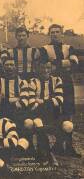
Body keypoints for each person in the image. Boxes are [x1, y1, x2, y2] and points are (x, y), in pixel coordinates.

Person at [40, 24, 81, 158]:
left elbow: (75, 62)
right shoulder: (45, 49)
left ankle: (69, 147)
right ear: (49, 34)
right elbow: (46, 64)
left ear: (62, 34)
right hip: (53, 83)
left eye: (57, 32)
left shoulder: (69, 47)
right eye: (52, 32)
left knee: (68, 113)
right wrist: (65, 62)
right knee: (56, 113)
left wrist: (57, 62)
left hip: (67, 83)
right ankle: (58, 145)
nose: (55, 34)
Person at [28, 62, 63, 164]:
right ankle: (49, 154)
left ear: (52, 68)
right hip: (38, 113)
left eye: (48, 67)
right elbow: (31, 102)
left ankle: (44, 153)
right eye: (42, 67)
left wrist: (41, 101)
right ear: (37, 68)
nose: (45, 70)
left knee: (66, 126)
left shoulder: (57, 80)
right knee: (38, 123)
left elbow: (59, 100)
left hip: (53, 113)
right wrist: (50, 101)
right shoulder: (33, 81)